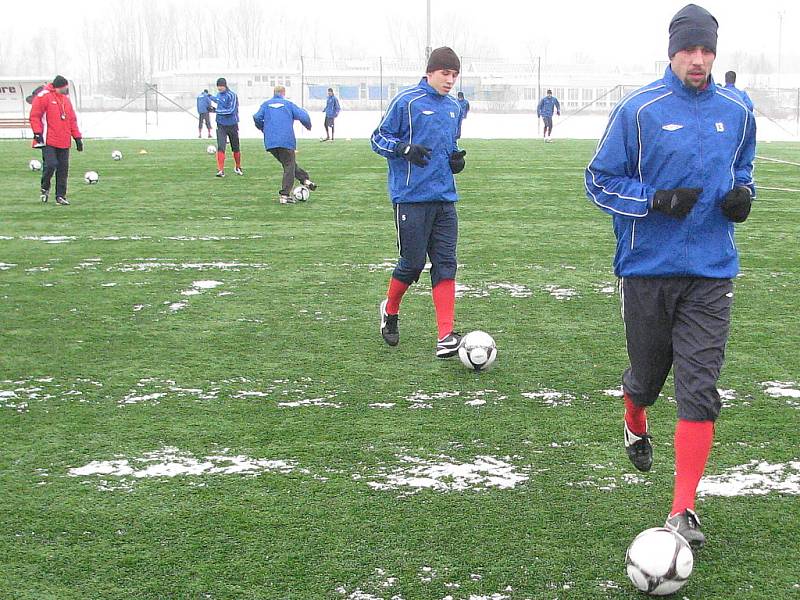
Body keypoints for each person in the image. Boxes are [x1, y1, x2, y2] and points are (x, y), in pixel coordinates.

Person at [585, 4, 756, 548]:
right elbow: (598, 181)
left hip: (711, 271)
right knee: (648, 378)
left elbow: (744, 165)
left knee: (699, 389)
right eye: (690, 50)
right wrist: (654, 200)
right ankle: (635, 416)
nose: (699, 60)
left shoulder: (737, 107)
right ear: (672, 52)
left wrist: (742, 196)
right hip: (647, 271)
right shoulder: (639, 111)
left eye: (707, 51)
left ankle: (682, 510)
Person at [370, 47, 468, 359]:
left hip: (444, 199)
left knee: (446, 264)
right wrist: (402, 149)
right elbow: (377, 139)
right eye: (445, 74)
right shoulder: (407, 101)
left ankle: (445, 336)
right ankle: (391, 309)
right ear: (430, 72)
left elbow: (449, 145)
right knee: (411, 264)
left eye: (454, 75)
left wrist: (454, 160)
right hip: (410, 198)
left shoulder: (454, 108)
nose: (450, 80)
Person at [253, 85, 317, 205]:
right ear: (283, 93)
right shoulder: (288, 104)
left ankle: (305, 180)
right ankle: (285, 195)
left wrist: (263, 128)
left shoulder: (266, 105)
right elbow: (303, 115)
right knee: (289, 165)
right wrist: (308, 126)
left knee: (289, 164)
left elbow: (256, 117)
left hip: (271, 142)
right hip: (286, 140)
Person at [29, 75, 83, 206]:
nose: (66, 89)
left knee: (63, 169)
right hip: (48, 140)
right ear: (59, 86)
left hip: (64, 140)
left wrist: (77, 137)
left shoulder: (66, 100)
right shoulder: (43, 97)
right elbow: (35, 116)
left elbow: (72, 120)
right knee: (52, 164)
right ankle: (45, 187)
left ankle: (60, 196)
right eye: (65, 87)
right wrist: (37, 133)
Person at [210, 78, 242, 177]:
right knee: (221, 147)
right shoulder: (219, 95)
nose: (219, 88)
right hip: (221, 125)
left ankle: (237, 166)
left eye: (221, 86)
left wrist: (216, 111)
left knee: (235, 148)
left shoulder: (232, 95)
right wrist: (208, 97)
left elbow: (231, 110)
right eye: (218, 86)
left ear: (225, 85)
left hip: (232, 124)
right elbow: (217, 100)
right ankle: (220, 170)